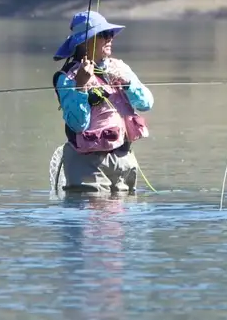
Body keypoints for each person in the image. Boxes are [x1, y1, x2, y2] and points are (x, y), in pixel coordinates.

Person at [52, 10, 154, 194]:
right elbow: (78, 124)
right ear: (83, 42)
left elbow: (146, 103)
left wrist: (127, 84)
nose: (110, 38)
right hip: (86, 165)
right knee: (94, 220)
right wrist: (81, 86)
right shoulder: (67, 78)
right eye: (103, 34)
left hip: (123, 159)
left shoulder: (121, 68)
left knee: (120, 221)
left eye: (110, 34)